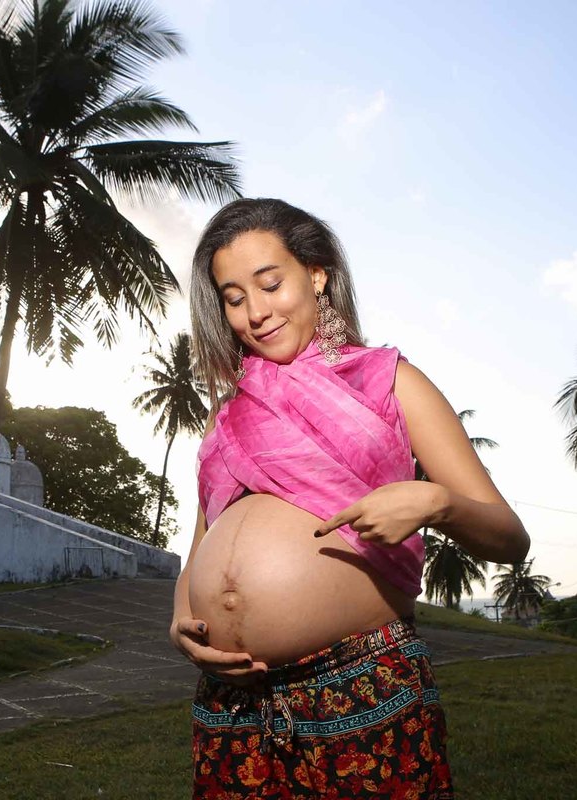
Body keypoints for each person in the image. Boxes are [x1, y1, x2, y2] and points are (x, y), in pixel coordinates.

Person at [171, 198, 530, 798]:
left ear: (316, 273)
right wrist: (181, 625)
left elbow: (509, 537)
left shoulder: (391, 381)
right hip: (231, 709)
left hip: (359, 690)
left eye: (270, 284)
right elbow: (201, 546)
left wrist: (434, 502)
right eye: (234, 298)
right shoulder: (229, 417)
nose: (256, 313)